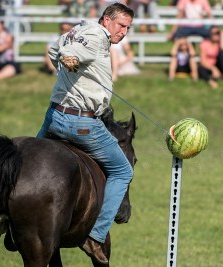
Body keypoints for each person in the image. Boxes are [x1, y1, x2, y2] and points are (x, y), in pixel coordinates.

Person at [36, 3, 134, 264]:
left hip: (53, 116)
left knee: (24, 166)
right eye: (121, 25)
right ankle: (96, 236)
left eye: (128, 28)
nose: (124, 32)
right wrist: (72, 58)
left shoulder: (76, 30)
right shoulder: (97, 37)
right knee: (124, 171)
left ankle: (8, 223)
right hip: (80, 123)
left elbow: (54, 48)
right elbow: (73, 51)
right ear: (106, 20)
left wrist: (65, 59)